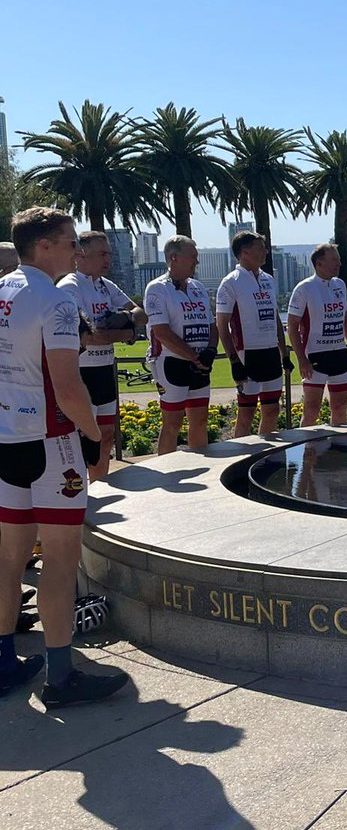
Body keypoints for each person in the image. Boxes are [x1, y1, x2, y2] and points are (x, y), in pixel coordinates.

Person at [0, 207, 127, 706]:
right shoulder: (52, 301)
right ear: (46, 246)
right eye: (71, 241)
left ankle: (5, 662)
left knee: (9, 559)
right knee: (58, 559)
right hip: (51, 442)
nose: (77, 250)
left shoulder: (2, 289)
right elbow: (69, 387)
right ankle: (61, 677)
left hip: (6, 438)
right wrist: (94, 435)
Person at [58, 231, 146, 479]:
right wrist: (126, 333)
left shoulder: (107, 286)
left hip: (106, 368)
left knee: (106, 434)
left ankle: (100, 484)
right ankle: (81, 492)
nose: (108, 259)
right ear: (81, 254)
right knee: (83, 438)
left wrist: (127, 318)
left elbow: (142, 314)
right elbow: (89, 336)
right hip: (83, 371)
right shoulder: (69, 286)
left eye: (109, 253)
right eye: (103, 254)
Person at [144, 236, 217, 455]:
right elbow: (162, 332)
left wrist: (210, 352)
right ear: (174, 258)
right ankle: (167, 475)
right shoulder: (156, 289)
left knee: (200, 420)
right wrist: (194, 357)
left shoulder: (198, 288)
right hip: (171, 363)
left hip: (200, 364)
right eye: (193, 256)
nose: (197, 261)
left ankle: (202, 466)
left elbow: (212, 325)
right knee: (172, 424)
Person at [215, 231, 289, 438]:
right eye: (260, 248)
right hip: (247, 354)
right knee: (246, 413)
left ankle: (265, 457)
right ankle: (241, 460)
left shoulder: (268, 280)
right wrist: (234, 361)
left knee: (272, 410)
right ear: (245, 252)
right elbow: (221, 324)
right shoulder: (231, 282)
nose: (265, 251)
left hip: (270, 352)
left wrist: (284, 353)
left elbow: (274, 318)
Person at [287, 243, 347, 426]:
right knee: (311, 410)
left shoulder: (340, 285)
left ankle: (340, 452)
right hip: (315, 356)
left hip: (339, 354)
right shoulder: (304, 288)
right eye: (334, 260)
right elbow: (292, 326)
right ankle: (309, 452)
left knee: (340, 407)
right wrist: (301, 359)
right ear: (319, 263)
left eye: (339, 260)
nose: (339, 264)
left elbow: (345, 320)